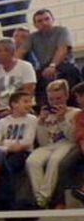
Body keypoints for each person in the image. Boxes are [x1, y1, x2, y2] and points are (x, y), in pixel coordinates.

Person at [26, 80, 81, 208]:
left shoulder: (75, 113)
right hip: (49, 145)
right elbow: (43, 141)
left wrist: (62, 119)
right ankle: (39, 198)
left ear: (66, 96)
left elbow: (73, 137)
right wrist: (41, 122)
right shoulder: (47, 114)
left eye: (59, 98)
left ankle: (44, 195)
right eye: (51, 99)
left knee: (55, 160)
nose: (55, 102)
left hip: (67, 144)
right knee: (32, 161)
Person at [28, 9, 79, 96]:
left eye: (47, 19)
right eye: (39, 21)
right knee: (35, 79)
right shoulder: (32, 37)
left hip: (64, 66)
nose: (44, 23)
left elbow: (62, 49)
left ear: (53, 19)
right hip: (44, 69)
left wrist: (52, 66)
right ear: (35, 25)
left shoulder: (62, 31)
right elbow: (21, 51)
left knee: (70, 72)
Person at [0, 37, 37, 113]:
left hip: (24, 109)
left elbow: (28, 92)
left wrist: (12, 111)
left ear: (10, 52)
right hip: (2, 111)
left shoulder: (25, 67)